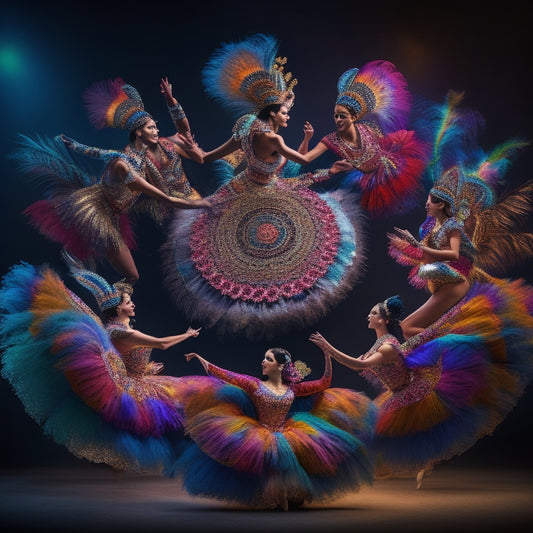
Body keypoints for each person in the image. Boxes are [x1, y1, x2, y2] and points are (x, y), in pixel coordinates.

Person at [161, 33, 367, 339]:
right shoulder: (274, 139)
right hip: (268, 190)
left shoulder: (247, 125)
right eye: (285, 113)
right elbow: (304, 159)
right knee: (302, 241)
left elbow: (206, 158)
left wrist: (179, 119)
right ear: (272, 113)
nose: (288, 116)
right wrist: (330, 150)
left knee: (210, 242)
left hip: (239, 187)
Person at [310, 290, 533, 489]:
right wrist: (329, 355)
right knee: (373, 435)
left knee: (382, 436)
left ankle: (414, 463)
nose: (368, 316)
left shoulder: (388, 347)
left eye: (373, 313)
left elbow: (360, 365)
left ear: (383, 320)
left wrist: (329, 347)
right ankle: (357, 470)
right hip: (397, 394)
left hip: (412, 394)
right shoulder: (380, 344)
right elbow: (355, 362)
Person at [0, 257, 203, 473]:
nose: (132, 304)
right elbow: (161, 344)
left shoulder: (113, 329)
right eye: (127, 303)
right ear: (117, 310)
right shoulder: (123, 332)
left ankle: (191, 451)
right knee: (183, 399)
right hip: (130, 386)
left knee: (182, 403)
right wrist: (188, 334)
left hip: (137, 378)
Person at [13, 78, 211, 285]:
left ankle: (112, 303)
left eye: (156, 127)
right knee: (130, 275)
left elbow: (95, 151)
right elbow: (165, 198)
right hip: (99, 216)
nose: (157, 131)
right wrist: (202, 203)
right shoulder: (125, 165)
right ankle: (108, 304)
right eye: (152, 128)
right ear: (138, 132)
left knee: (132, 276)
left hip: (114, 216)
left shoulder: (140, 160)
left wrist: (71, 144)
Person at [387, 90, 530, 339]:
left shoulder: (453, 226)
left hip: (456, 280)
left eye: (430, 200)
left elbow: (453, 254)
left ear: (441, 205)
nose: (426, 204)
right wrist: (412, 246)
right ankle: (458, 347)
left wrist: (415, 245)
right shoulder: (431, 227)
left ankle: (465, 346)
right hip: (445, 280)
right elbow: (426, 258)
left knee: (409, 328)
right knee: (412, 328)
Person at [166, 342, 376, 510]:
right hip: (260, 433)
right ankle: (273, 497)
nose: (263, 362)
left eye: (268, 359)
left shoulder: (293, 389)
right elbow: (224, 374)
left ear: (280, 365)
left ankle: (284, 497)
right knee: (269, 465)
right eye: (264, 358)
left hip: (287, 433)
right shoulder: (254, 384)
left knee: (286, 464)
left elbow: (324, 383)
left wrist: (327, 355)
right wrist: (199, 357)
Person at [297, 61, 428, 218]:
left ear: (353, 117)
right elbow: (303, 159)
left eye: (342, 116)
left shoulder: (367, 129)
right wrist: (307, 138)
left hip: (389, 172)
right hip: (361, 186)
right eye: (336, 116)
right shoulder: (331, 139)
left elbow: (383, 145)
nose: (338, 120)